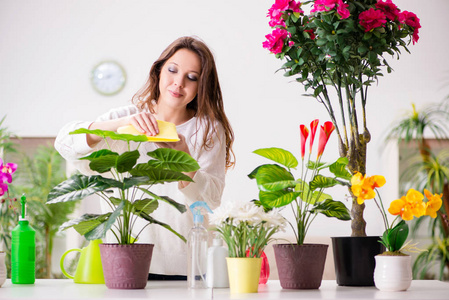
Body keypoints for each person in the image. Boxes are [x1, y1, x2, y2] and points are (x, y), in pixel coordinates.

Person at [54, 36, 235, 279]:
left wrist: (183, 157)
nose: (178, 83)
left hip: (186, 265)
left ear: (201, 86)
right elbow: (65, 142)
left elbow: (211, 199)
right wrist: (119, 124)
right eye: (172, 70)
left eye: (191, 77)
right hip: (123, 258)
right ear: (159, 71)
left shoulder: (207, 130)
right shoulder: (128, 118)